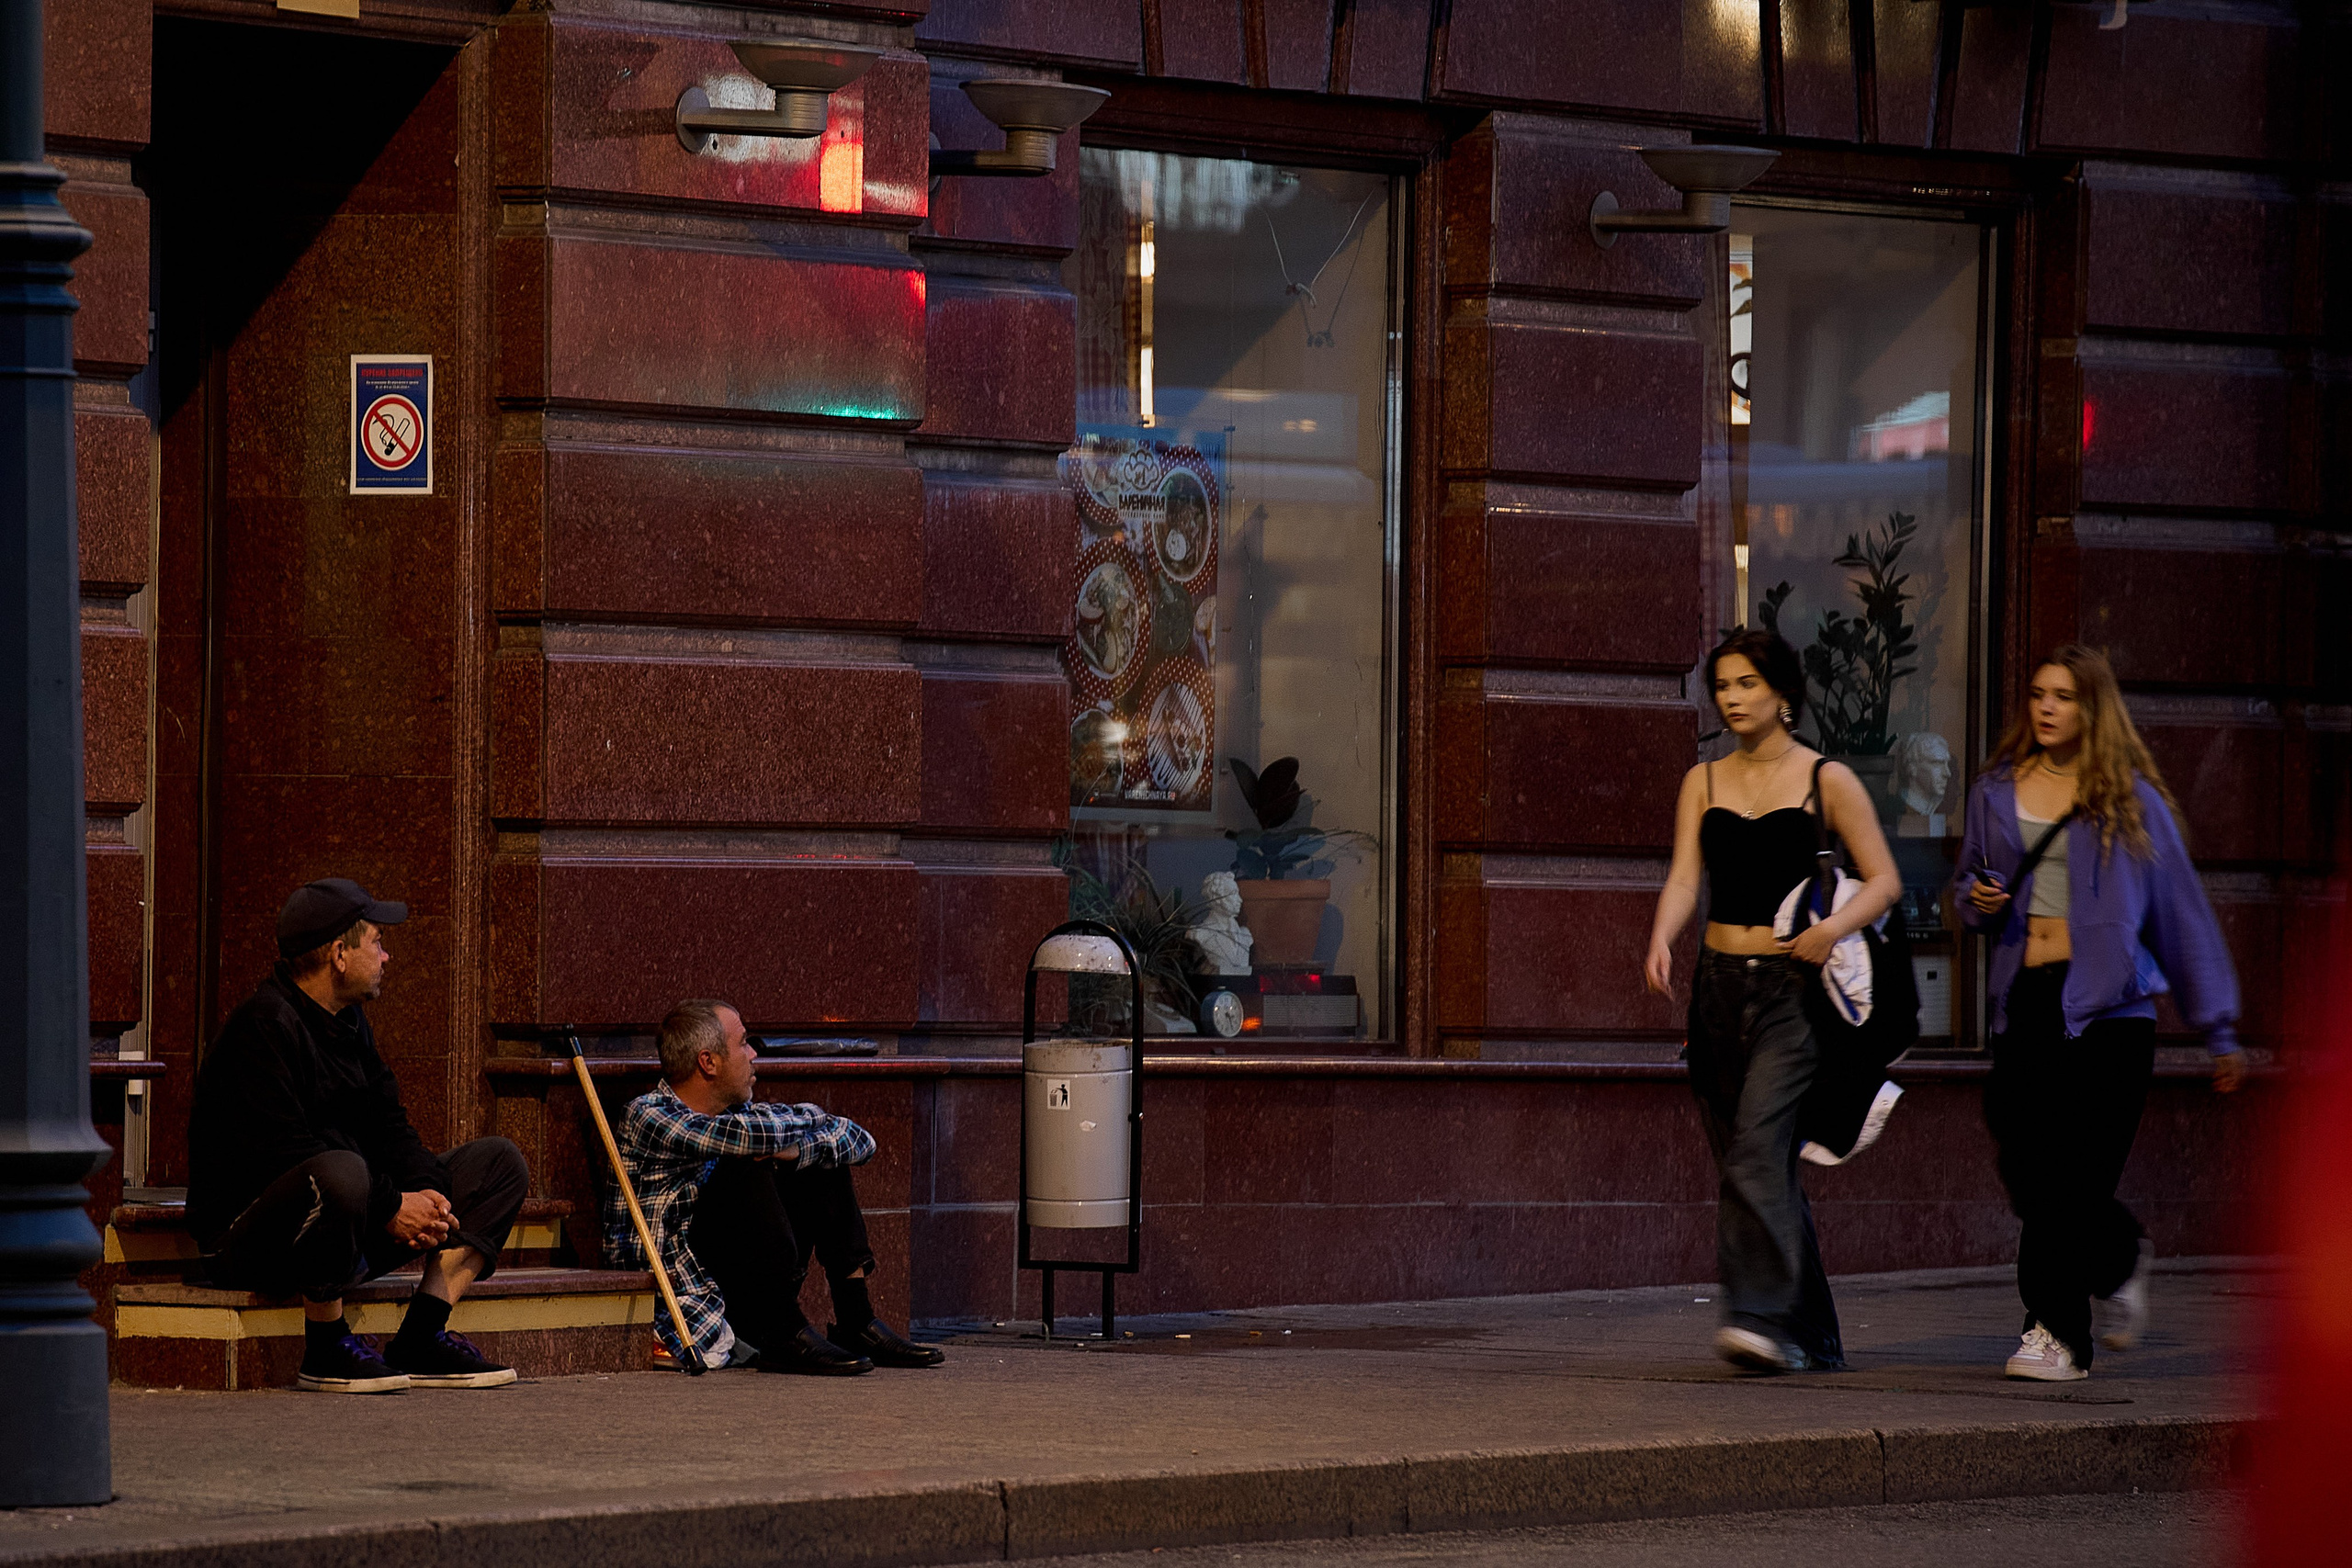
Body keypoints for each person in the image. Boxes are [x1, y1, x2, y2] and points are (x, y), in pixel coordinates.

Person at [1955, 645, 2244, 1383]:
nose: (2047, 707)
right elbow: (1969, 892)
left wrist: (2218, 1027)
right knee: (2028, 1167)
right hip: (2028, 1000)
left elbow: (2182, 914)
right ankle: (2118, 1254)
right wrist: (1979, 899)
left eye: (2065, 696)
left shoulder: (2130, 802)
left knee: (2069, 1179)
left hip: (2112, 1014)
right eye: (2038, 694)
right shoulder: (1995, 791)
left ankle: (2055, 1334)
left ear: (2093, 708)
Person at [1645, 629, 1903, 1373]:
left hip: (1793, 990)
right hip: (1717, 989)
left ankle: (1756, 1316)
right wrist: (1662, 935)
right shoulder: (1703, 780)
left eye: (1747, 683)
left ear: (1783, 691)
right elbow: (1686, 876)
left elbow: (1885, 880)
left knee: (1757, 1150)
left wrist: (1831, 929)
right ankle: (1811, 1335)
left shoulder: (1826, 778)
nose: (1732, 698)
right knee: (1756, 1161)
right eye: (1723, 685)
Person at [187, 878, 527, 1393]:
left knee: (498, 1164)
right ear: (339, 955)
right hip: (251, 1241)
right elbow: (286, 1154)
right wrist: (391, 1206)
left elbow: (389, 1125)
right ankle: (325, 1345)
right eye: (377, 942)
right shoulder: (261, 1028)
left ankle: (421, 1336)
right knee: (340, 1172)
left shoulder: (349, 1022)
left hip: (345, 1221)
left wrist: (429, 1197)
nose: (386, 956)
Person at [608, 999, 944, 1375]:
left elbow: (861, 1140)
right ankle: (783, 1330)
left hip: (744, 1287)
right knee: (746, 1161)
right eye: (743, 1043)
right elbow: (746, 1138)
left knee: (817, 1160)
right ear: (708, 1062)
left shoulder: (738, 1114)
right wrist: (812, 1122)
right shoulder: (648, 1115)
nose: (753, 1054)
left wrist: (800, 1150)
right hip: (692, 1299)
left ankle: (856, 1320)